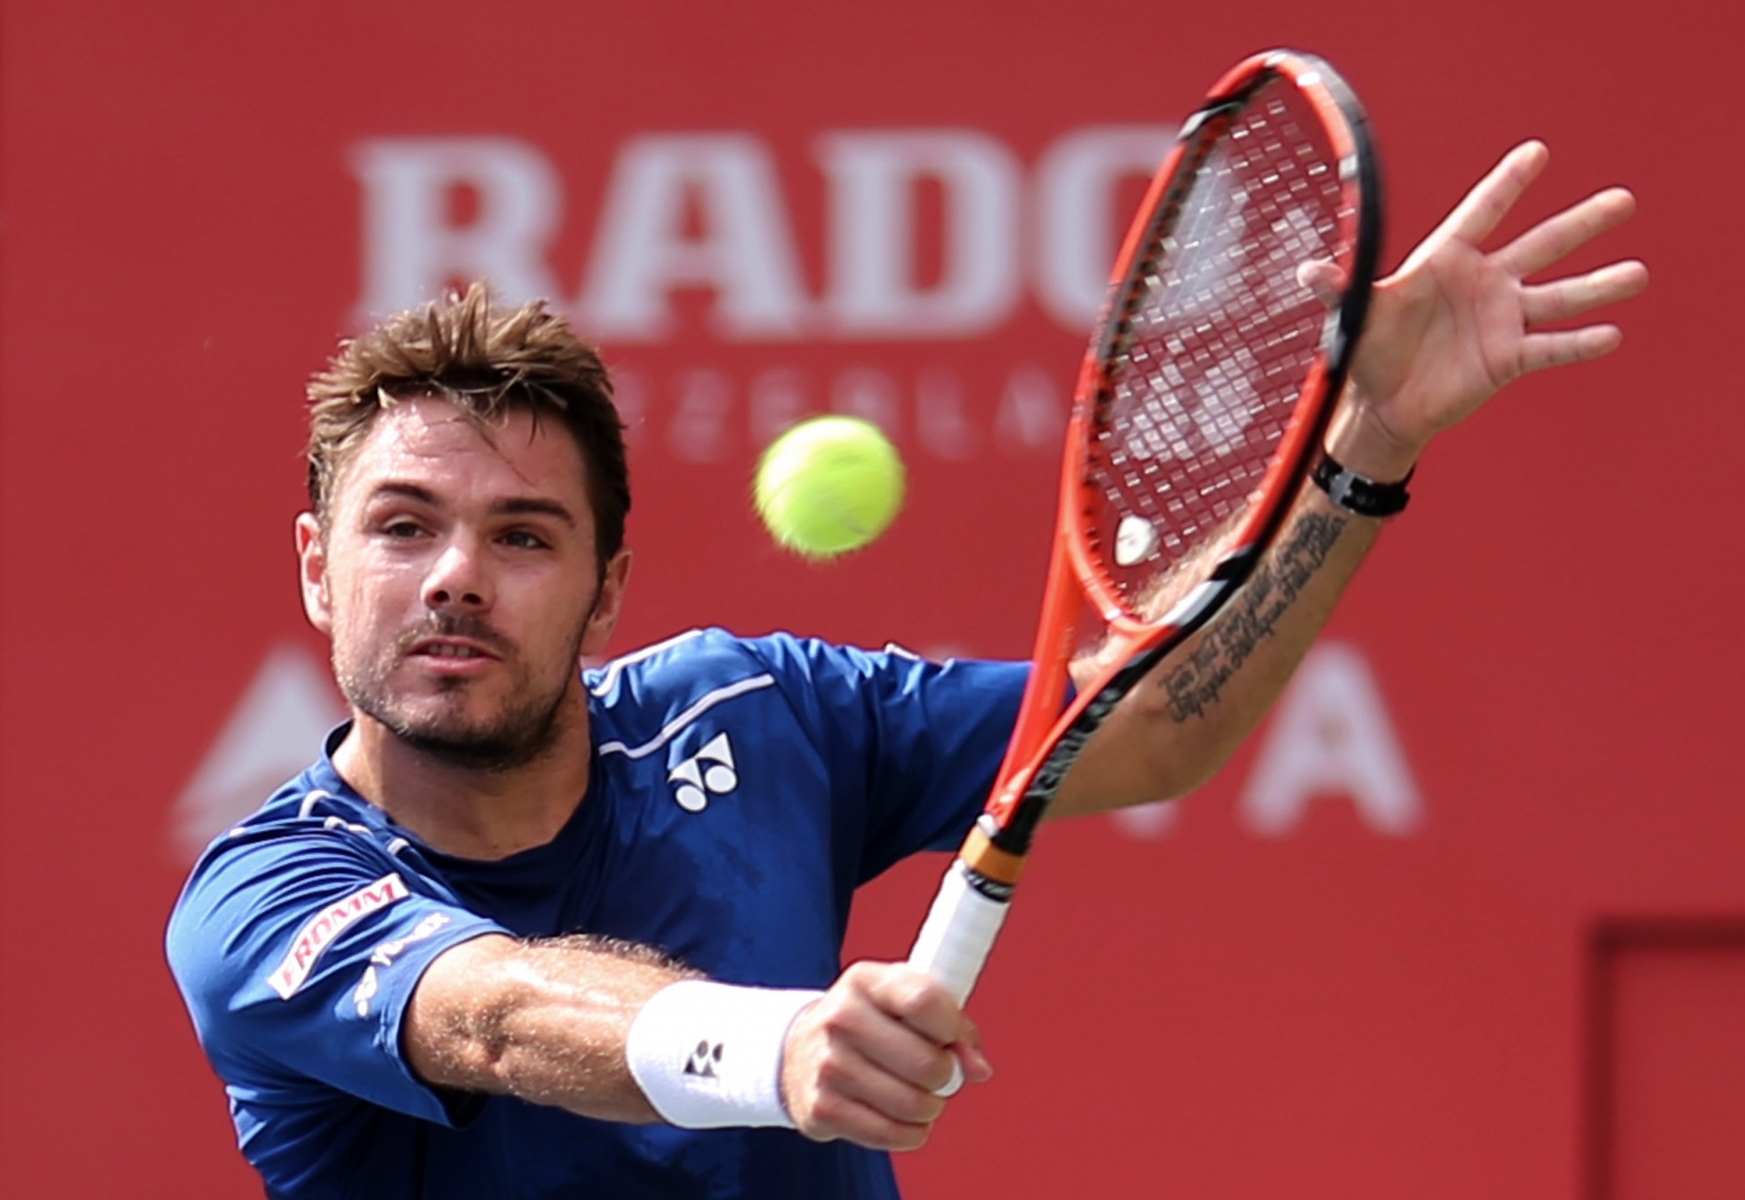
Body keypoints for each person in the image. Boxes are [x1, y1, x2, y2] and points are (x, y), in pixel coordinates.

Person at [167, 141, 1645, 1199]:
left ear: (607, 588)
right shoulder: (263, 901)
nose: (455, 577)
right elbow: (491, 1013)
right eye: (403, 526)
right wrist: (778, 1042)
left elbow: (1149, 736)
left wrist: (1361, 448)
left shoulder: (761, 711)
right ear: (316, 565)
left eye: (524, 535)